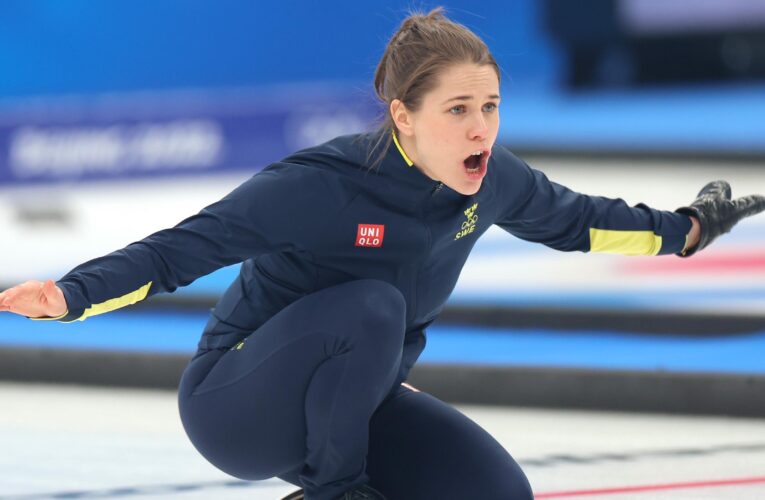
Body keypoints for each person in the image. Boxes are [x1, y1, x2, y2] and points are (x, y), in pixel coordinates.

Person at [1, 8, 763, 500]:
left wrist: (687, 228)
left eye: (489, 106)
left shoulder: (494, 183)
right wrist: (71, 294)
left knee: (498, 494)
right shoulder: (320, 186)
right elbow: (180, 251)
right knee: (372, 306)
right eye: (457, 110)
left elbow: (579, 222)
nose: (480, 129)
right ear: (402, 116)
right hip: (237, 406)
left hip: (348, 406)